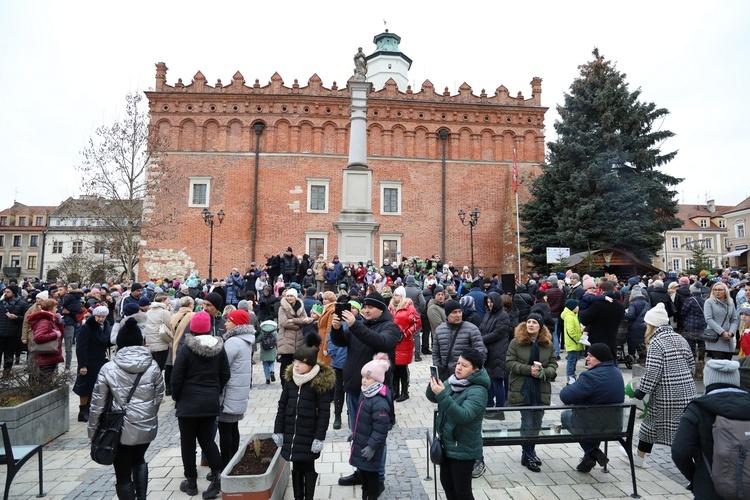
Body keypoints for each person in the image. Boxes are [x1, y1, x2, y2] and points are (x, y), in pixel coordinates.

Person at [330, 291, 401, 491]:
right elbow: (342, 341)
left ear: (381, 309)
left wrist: (354, 324)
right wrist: (336, 329)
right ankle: (361, 472)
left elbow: (380, 342)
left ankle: (377, 479)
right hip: (354, 389)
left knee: (375, 437)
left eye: (370, 307)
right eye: (364, 307)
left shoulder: (390, 327)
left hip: (375, 395)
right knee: (357, 434)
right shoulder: (361, 325)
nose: (366, 310)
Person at [88, 317, 165, 500]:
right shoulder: (152, 365)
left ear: (120, 344)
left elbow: (97, 404)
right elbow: (159, 395)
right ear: (141, 341)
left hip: (118, 427)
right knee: (139, 459)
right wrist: (147, 414)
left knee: (122, 472)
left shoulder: (108, 368)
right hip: (145, 424)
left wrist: (92, 432)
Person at [171, 311, 231, 499]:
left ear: (193, 329)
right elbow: (225, 374)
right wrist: (215, 390)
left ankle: (191, 482)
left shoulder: (186, 349)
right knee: (207, 440)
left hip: (188, 403)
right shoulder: (219, 348)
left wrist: (177, 397)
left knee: (187, 442)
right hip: (209, 400)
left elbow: (176, 377)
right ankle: (218, 476)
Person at [630, 302, 697, 467]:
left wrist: (641, 391)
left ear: (651, 325)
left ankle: (640, 458)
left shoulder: (656, 342)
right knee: (684, 429)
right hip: (688, 391)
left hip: (666, 394)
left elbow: (653, 371)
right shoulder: (680, 338)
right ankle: (697, 464)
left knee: (652, 427)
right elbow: (692, 365)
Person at [672, 359, 750, 498]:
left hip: (709, 487)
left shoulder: (698, 408)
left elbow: (680, 451)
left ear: (708, 380)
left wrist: (695, 476)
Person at [272, 332, 334, 500]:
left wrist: (319, 437)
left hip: (308, 434)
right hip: (292, 433)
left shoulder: (318, 384)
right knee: (296, 467)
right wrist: (278, 430)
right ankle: (298, 497)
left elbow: (324, 413)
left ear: (311, 365)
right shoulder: (291, 382)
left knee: (307, 466)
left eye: (301, 362)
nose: (297, 365)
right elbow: (282, 406)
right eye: (295, 361)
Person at [426, 347, 489, 500]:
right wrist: (433, 384)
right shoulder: (453, 381)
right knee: (447, 485)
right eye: (458, 363)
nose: (459, 367)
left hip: (463, 448)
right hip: (447, 444)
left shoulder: (478, 391)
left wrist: (442, 395)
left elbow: (464, 416)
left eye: (464, 365)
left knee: (462, 492)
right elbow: (432, 397)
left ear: (475, 370)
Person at [559, 343, 624, 472]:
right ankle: (588, 459)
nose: (587, 358)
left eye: (590, 355)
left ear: (600, 358)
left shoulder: (590, 376)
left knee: (565, 415)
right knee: (594, 421)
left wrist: (571, 386)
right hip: (615, 425)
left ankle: (593, 451)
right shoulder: (616, 372)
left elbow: (565, 396)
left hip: (593, 426)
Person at [506, 313, 558, 472]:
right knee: (528, 422)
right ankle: (527, 453)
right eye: (528, 321)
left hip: (541, 389)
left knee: (537, 422)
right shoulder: (516, 342)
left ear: (540, 326)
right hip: (522, 387)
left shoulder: (547, 344)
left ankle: (531, 450)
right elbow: (509, 363)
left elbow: (553, 364)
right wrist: (529, 370)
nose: (530, 325)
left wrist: (544, 372)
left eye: (534, 322)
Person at [350, 353, 391, 500]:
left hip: (371, 448)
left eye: (368, 378)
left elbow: (381, 429)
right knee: (364, 476)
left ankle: (372, 496)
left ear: (378, 380)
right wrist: (354, 433)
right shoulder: (365, 394)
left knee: (372, 475)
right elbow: (361, 419)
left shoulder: (379, 402)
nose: (364, 381)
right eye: (363, 377)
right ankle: (365, 495)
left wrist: (372, 446)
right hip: (362, 442)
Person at [218, 310, 255, 468]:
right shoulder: (245, 340)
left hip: (229, 393)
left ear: (236, 323)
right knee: (233, 427)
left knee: (225, 429)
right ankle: (234, 459)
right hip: (238, 392)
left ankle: (226, 463)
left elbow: (222, 366)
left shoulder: (233, 342)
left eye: (228, 321)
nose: (225, 323)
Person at [73, 306, 112, 422]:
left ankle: (90, 408)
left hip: (100, 360)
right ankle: (83, 411)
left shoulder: (105, 325)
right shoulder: (87, 328)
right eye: (99, 316)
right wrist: (83, 365)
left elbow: (106, 340)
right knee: (85, 386)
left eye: (103, 317)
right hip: (88, 361)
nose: (101, 319)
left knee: (95, 387)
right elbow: (81, 347)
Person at [432, 300, 487, 380]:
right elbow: (436, 354)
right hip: (446, 376)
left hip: (466, 376)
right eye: (454, 312)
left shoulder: (472, 329)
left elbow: (480, 352)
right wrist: (439, 369)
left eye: (460, 311)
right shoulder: (439, 330)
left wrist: (472, 372)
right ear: (447, 315)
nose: (458, 315)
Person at [479, 291, 511, 413]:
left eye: (491, 301)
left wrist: (482, 339)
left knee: (497, 381)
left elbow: (498, 333)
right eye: (488, 301)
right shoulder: (488, 314)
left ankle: (500, 408)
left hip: (499, 351)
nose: (490, 304)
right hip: (488, 351)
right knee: (488, 380)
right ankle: (489, 404)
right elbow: (482, 328)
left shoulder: (503, 315)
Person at [578, 281, 626, 359]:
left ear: (601, 291)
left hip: (596, 340)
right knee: (611, 361)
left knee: (597, 364)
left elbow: (584, 319)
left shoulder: (597, 304)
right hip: (612, 338)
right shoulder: (620, 306)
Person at [389, 286, 421, 402]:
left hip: (404, 342)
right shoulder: (391, 308)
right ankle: (395, 391)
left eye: (396, 295)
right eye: (394, 295)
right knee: (394, 368)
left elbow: (417, 323)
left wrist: (406, 333)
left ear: (402, 296)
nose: (394, 297)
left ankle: (404, 392)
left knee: (402, 368)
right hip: (393, 342)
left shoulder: (409, 308)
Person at [277, 289, 314, 377]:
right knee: (285, 366)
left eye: (291, 296)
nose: (289, 298)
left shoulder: (301, 306)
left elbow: (305, 320)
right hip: (286, 340)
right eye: (288, 296)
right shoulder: (282, 308)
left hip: (298, 340)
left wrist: (293, 320)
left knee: (296, 366)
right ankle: (284, 387)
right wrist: (299, 325)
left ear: (295, 297)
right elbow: (284, 323)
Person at [25, 298, 64, 377]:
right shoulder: (45, 321)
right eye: (55, 307)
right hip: (46, 356)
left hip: (49, 356)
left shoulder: (51, 319)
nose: (57, 309)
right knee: (45, 380)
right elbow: (39, 337)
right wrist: (55, 334)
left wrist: (59, 323)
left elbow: (61, 336)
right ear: (50, 309)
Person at [703, 281, 738, 360]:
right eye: (715, 290)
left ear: (725, 291)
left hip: (728, 338)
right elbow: (708, 319)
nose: (717, 292)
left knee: (728, 365)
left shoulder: (730, 302)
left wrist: (731, 332)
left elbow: (734, 320)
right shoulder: (709, 302)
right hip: (716, 337)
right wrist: (722, 332)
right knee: (719, 365)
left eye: (720, 290)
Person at [144, 293, 173, 372]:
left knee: (151, 368)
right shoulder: (164, 312)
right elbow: (171, 325)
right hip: (161, 343)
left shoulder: (148, 311)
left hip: (150, 343)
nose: (169, 302)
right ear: (163, 300)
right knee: (159, 368)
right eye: (167, 300)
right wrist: (171, 312)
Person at [561, 299, 584, 384]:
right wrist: (578, 339)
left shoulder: (573, 315)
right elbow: (570, 331)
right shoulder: (570, 317)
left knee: (573, 361)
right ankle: (570, 378)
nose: (578, 307)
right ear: (572, 307)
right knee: (571, 362)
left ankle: (572, 377)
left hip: (575, 343)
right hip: (573, 343)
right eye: (576, 306)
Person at [258, 320, 279, 384]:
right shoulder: (274, 331)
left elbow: (257, 340)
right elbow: (277, 340)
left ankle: (267, 379)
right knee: (272, 362)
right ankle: (272, 371)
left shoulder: (262, 331)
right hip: (272, 350)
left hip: (264, 351)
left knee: (265, 364)